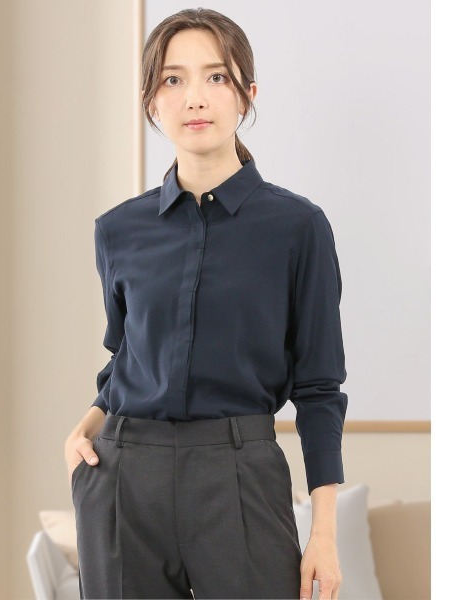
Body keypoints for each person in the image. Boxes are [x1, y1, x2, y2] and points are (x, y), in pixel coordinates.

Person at [64, 7, 347, 600]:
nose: (195, 97)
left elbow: (319, 387)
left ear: (246, 95)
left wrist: (324, 533)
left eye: (216, 77)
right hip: (123, 476)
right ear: (152, 101)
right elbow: (128, 355)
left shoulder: (298, 227)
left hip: (239, 474)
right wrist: (85, 425)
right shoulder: (117, 230)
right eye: (173, 79)